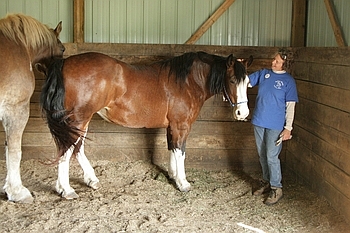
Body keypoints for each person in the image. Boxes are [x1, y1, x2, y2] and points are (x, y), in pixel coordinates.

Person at [248, 48, 298, 205]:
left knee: (271, 156)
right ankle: (267, 181)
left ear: (285, 63)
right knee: (262, 154)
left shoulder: (288, 81)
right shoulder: (263, 74)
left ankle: (277, 187)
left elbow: (290, 105)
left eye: (277, 61)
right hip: (259, 121)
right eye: (273, 59)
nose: (273, 62)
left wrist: (288, 128)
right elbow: (246, 82)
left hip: (276, 125)